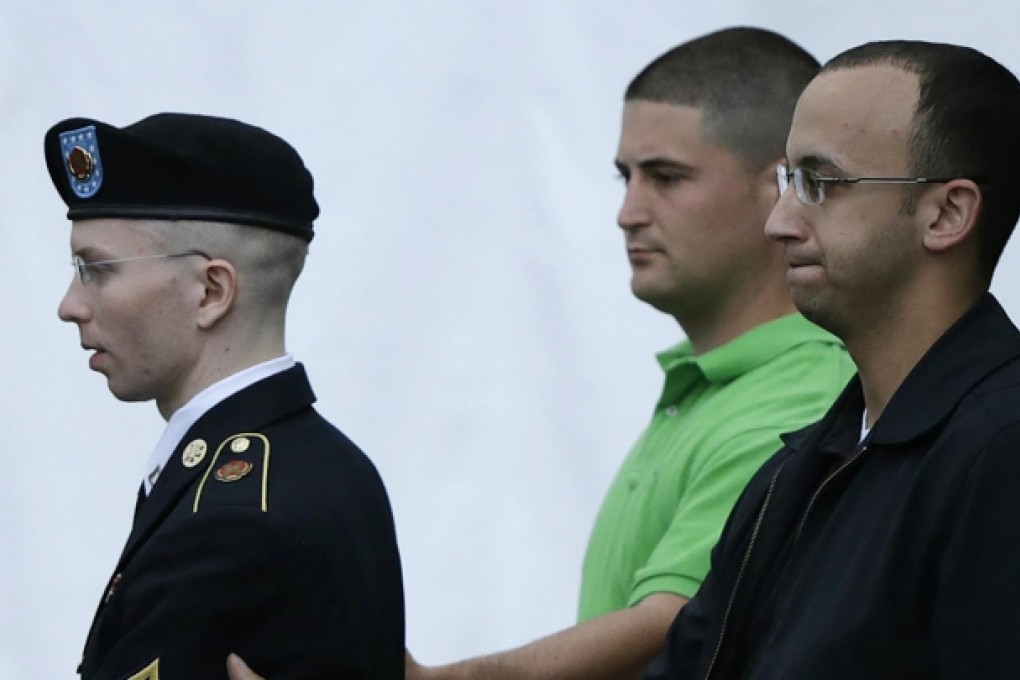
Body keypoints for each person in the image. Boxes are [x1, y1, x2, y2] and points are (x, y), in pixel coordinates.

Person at [228, 27, 854, 680]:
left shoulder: (802, 396)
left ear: (783, 186)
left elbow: (676, 623)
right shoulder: (718, 388)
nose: (628, 211)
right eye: (624, 176)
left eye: (666, 177)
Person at [648, 39, 1020, 680]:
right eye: (788, 180)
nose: (780, 223)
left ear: (948, 213)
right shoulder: (801, 468)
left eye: (821, 183)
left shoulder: (1001, 452)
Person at [48, 113, 405, 679]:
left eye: (98, 270)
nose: (70, 304)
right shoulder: (333, 467)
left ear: (212, 292)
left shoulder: (228, 518)